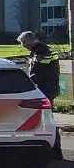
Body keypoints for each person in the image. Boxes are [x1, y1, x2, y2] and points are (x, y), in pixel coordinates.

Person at [18, 30, 62, 159]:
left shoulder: (42, 52)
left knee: (47, 120)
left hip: (45, 89)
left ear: (31, 40)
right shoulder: (39, 51)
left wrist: (25, 83)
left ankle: (55, 151)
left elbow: (36, 74)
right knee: (44, 120)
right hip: (46, 88)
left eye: (24, 43)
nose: (23, 46)